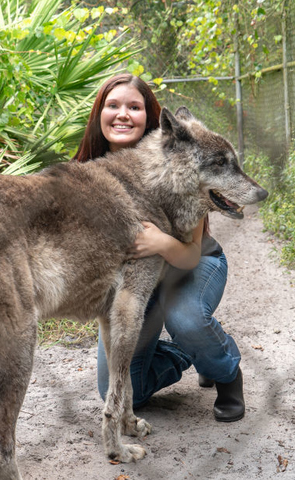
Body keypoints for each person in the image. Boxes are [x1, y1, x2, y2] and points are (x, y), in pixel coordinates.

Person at [74, 73, 245, 422]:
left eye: (134, 107)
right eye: (113, 105)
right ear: (99, 114)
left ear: (151, 117)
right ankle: (190, 353)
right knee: (119, 392)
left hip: (191, 265)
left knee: (187, 319)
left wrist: (160, 241)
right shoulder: (85, 170)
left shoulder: (180, 163)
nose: (122, 114)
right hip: (137, 281)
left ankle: (226, 371)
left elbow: (189, 254)